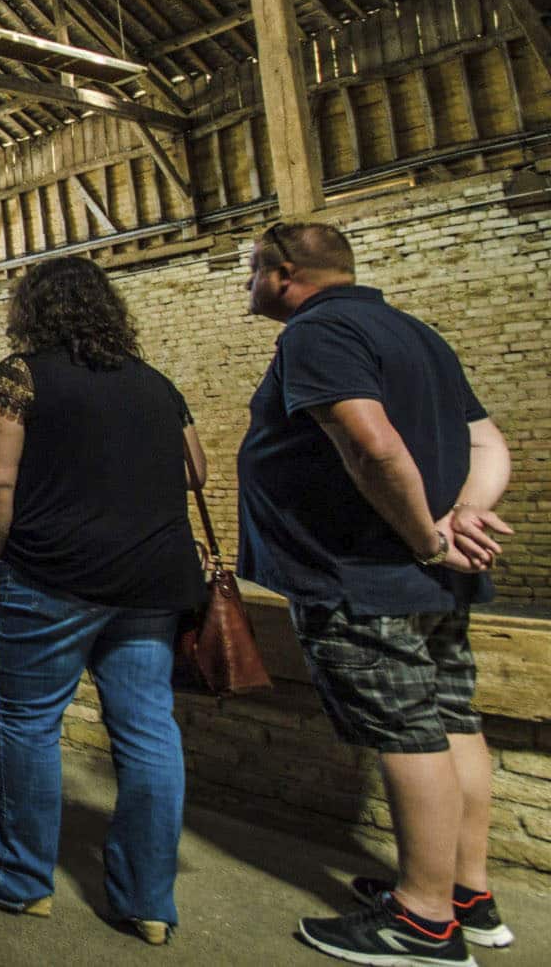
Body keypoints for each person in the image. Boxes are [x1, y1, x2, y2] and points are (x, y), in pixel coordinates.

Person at [236, 223, 514, 965]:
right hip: (429, 577)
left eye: (252, 272)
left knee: (405, 730)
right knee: (451, 717)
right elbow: (489, 442)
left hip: (364, 575)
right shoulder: (414, 332)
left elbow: (371, 443)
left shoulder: (318, 333)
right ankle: (465, 891)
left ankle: (422, 920)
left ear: (284, 272)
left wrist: (427, 533)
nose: (249, 286)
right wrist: (465, 515)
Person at [0, 257, 206, 947]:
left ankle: (18, 877)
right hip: (151, 581)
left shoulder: (19, 375)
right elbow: (194, 469)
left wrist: (0, 554)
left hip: (54, 576)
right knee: (149, 730)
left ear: (33, 312)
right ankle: (148, 900)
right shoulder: (156, 382)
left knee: (30, 723)